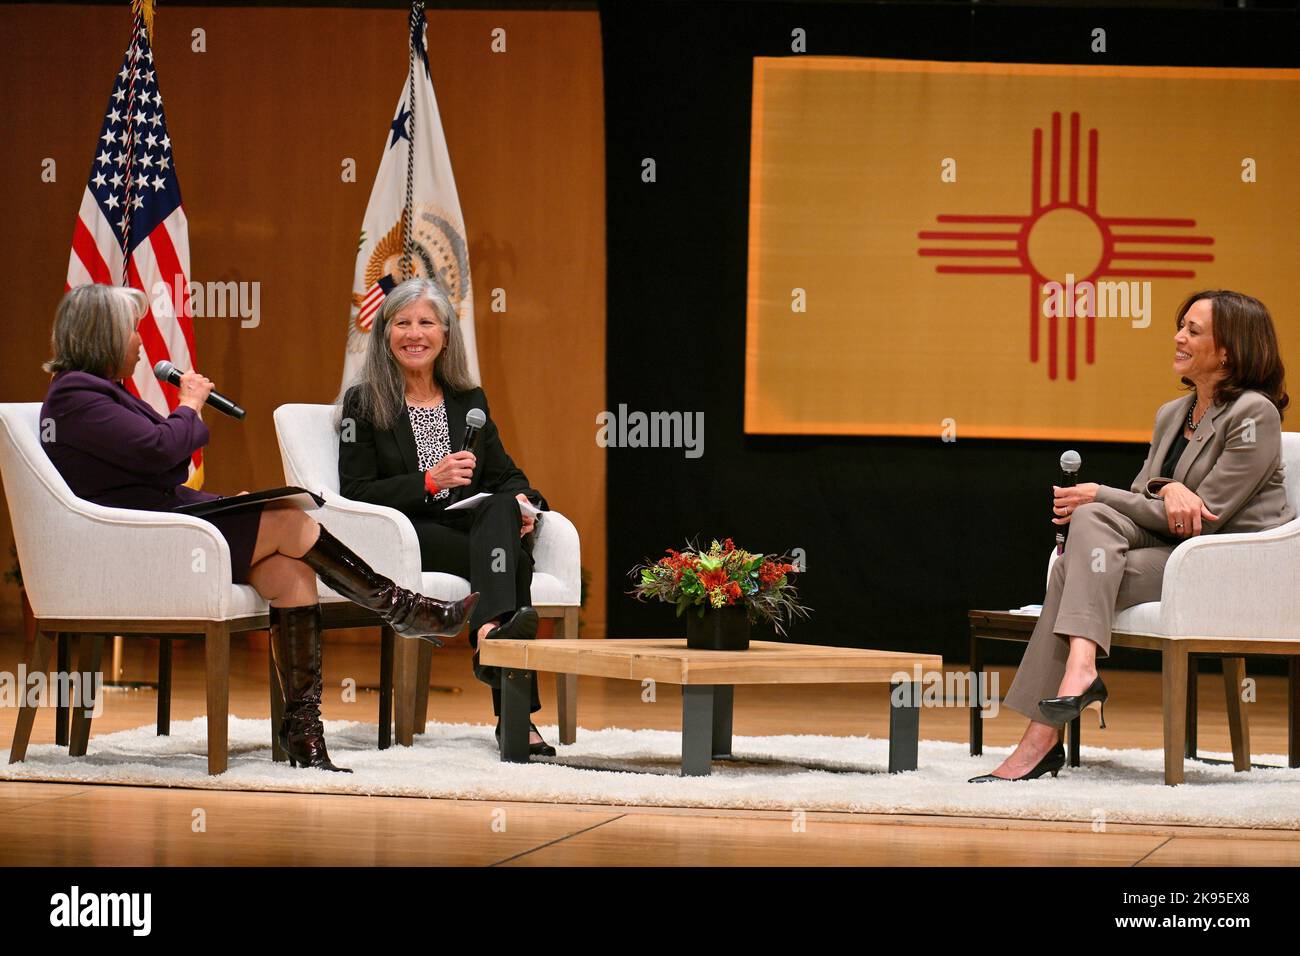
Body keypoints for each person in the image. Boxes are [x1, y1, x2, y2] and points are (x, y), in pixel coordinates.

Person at [38, 283, 478, 773]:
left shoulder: (100, 393)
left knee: (290, 572)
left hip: (169, 521)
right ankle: (404, 609)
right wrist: (189, 404)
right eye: (131, 330)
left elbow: (161, 462)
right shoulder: (77, 396)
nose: (140, 341)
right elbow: (161, 450)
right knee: (289, 521)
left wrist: (228, 503)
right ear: (101, 336)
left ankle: (303, 732)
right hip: (143, 539)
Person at [970, 289, 1293, 782]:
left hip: (1223, 562)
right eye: (1180, 326)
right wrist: (1166, 487)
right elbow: (1145, 495)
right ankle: (1080, 671)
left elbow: (1203, 519)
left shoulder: (1254, 413)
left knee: (1075, 569)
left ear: (1229, 351)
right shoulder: (1173, 413)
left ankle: (1041, 738)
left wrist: (1101, 491)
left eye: (1192, 330)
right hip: (1169, 550)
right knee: (1091, 521)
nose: (1178, 337)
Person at [338, 277, 555, 756]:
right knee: (515, 562)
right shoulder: (363, 402)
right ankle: (516, 717)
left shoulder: (468, 400)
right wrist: (429, 481)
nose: (414, 334)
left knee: (502, 506)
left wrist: (525, 506)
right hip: (408, 535)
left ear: (446, 335)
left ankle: (487, 635)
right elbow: (353, 492)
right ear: (385, 334)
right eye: (402, 323)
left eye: (426, 323)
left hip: (467, 530)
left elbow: (507, 476)